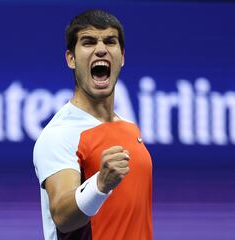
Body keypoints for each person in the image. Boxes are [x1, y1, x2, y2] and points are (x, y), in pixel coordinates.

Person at [33, 9, 153, 240]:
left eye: (110, 41)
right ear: (71, 59)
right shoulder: (60, 134)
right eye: (88, 42)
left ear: (122, 56)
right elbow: (63, 216)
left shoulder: (129, 128)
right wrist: (100, 184)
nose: (101, 49)